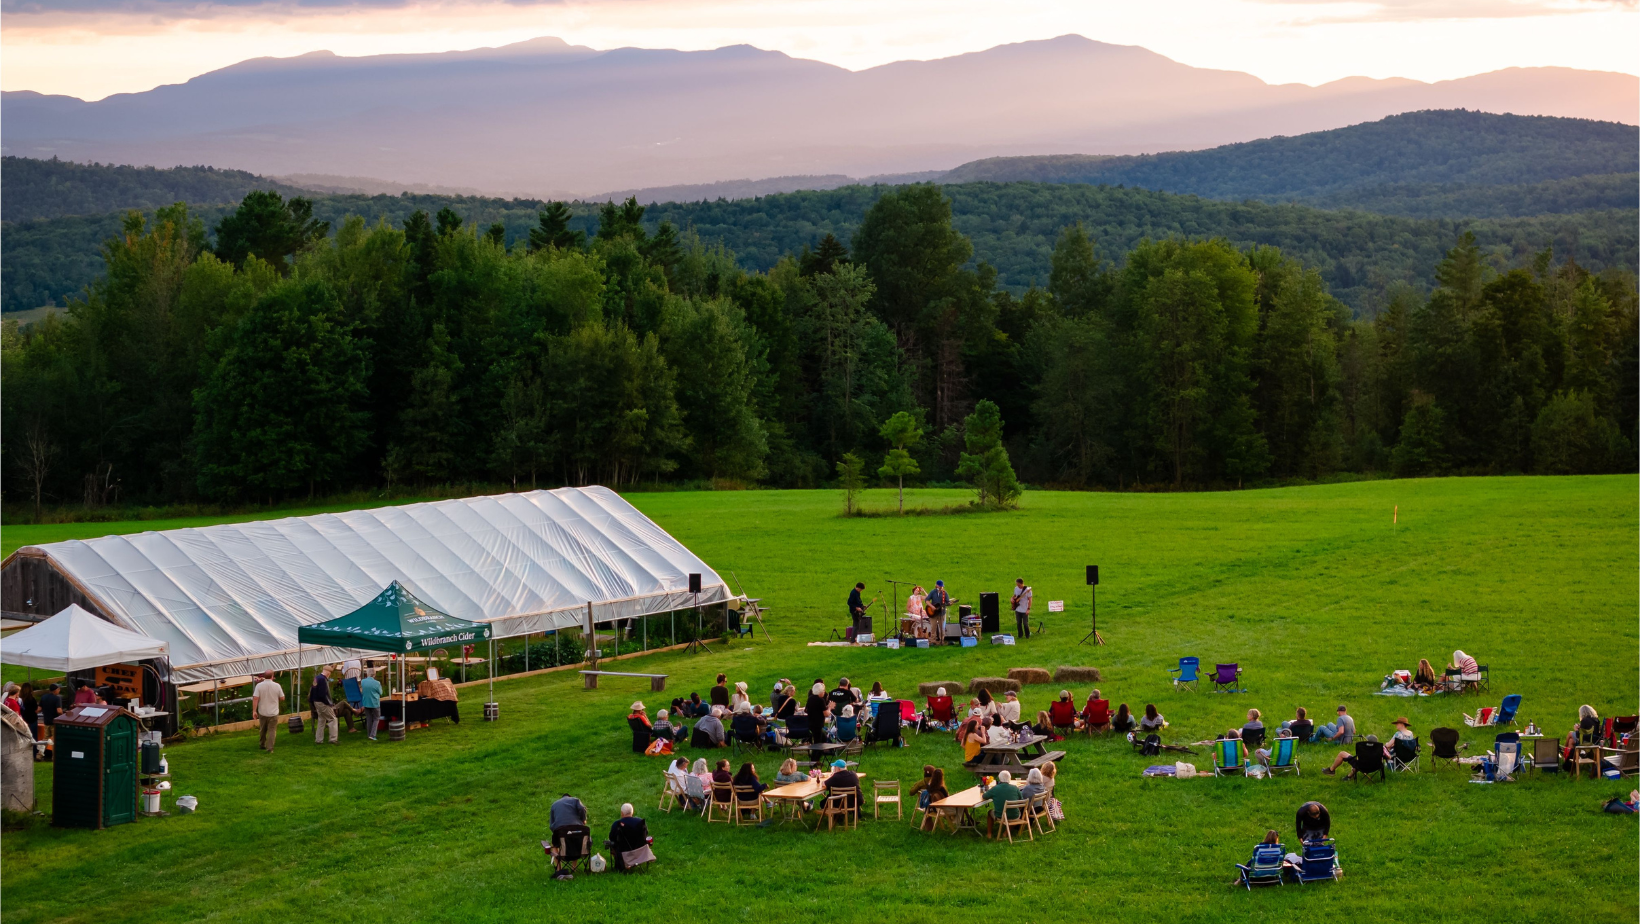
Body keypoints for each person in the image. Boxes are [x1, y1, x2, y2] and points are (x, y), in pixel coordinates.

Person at [607, 803, 652, 872]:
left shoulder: (617, 824)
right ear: (632, 812)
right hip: (640, 852)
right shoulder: (640, 822)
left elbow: (611, 838)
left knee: (612, 844)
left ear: (622, 813)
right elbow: (646, 834)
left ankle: (621, 865)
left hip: (623, 853)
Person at [252, 670, 285, 752]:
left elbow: (255, 698)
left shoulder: (259, 686)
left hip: (262, 711)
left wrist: (254, 711)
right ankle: (270, 748)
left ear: (264, 676)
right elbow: (282, 698)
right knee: (272, 730)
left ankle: (262, 744)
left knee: (263, 729)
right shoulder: (277, 686)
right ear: (272, 676)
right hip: (273, 712)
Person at [984, 770, 1024, 836]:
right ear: (1009, 778)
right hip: (1015, 816)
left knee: (990, 812)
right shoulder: (1015, 788)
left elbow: (985, 796)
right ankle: (1006, 832)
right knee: (1015, 812)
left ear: (999, 778)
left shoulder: (995, 788)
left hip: (1000, 816)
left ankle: (989, 834)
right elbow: (1022, 801)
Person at [310, 666, 339, 745]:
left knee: (321, 720)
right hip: (322, 702)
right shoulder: (323, 680)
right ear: (328, 672)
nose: (329, 675)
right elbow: (322, 694)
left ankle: (318, 740)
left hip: (316, 702)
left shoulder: (317, 678)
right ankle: (333, 739)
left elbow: (312, 691)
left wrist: (313, 703)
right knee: (333, 719)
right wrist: (329, 704)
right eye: (329, 673)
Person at [359, 667, 383, 741]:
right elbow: (381, 692)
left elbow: (361, 690)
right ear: (374, 674)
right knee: (376, 718)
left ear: (367, 674)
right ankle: (373, 735)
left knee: (369, 718)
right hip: (374, 703)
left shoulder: (363, 681)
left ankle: (369, 734)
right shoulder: (377, 683)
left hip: (366, 702)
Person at [38, 683, 61, 754]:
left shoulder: (43, 697)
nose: (59, 690)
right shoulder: (57, 698)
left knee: (45, 739)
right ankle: (54, 757)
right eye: (59, 689)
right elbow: (59, 711)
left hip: (46, 721)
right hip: (54, 722)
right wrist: (63, 716)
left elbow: (39, 709)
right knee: (54, 740)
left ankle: (40, 754)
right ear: (55, 690)